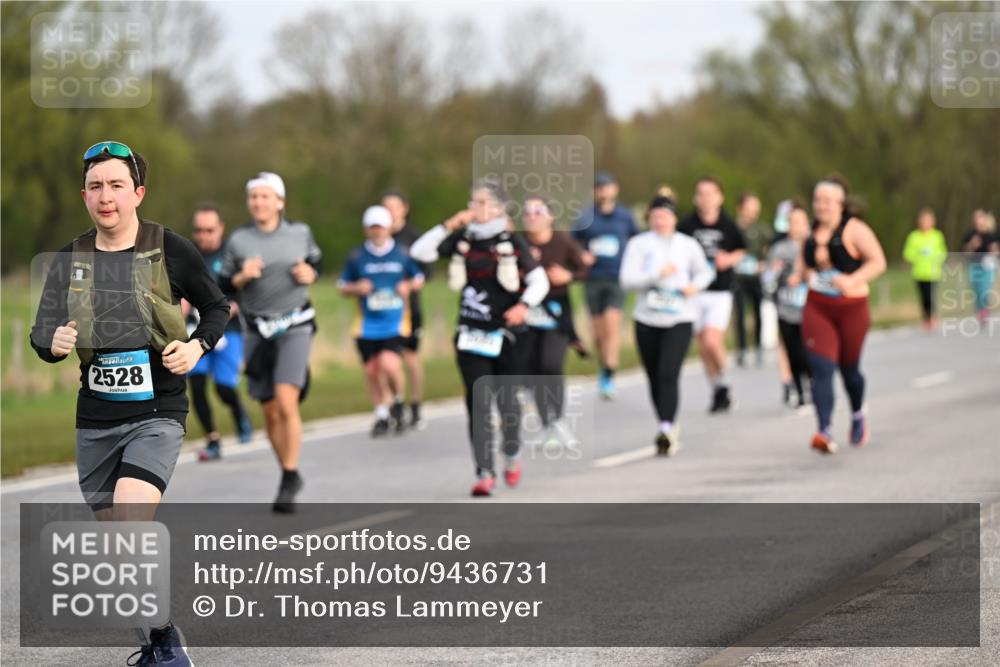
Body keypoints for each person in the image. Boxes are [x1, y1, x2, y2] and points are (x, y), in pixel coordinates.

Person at [31, 141, 229, 666]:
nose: (106, 196)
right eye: (96, 186)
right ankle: (157, 639)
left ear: (137, 193)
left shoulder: (170, 249)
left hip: (157, 412)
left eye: (117, 185)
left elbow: (216, 308)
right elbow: (41, 331)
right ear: (84, 196)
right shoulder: (70, 259)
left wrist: (196, 345)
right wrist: (51, 345)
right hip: (95, 419)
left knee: (133, 525)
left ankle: (167, 648)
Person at [410, 180, 549, 497]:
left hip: (507, 334)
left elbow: (538, 279)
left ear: (500, 209)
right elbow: (420, 251)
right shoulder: (463, 239)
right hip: (471, 334)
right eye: (474, 202)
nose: (477, 209)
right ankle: (484, 471)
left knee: (506, 403)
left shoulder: (511, 242)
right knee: (478, 403)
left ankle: (511, 453)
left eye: (485, 203)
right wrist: (450, 224)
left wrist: (523, 306)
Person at [219, 172, 322, 513]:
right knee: (268, 410)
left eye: (265, 196)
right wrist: (242, 276)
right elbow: (224, 285)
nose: (259, 203)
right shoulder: (238, 240)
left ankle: (289, 475)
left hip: (295, 323)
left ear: (280, 201)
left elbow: (314, 263)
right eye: (253, 197)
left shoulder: (300, 232)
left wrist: (311, 273)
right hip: (256, 329)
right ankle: (288, 472)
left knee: (285, 400)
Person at [795, 176, 886, 454]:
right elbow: (803, 267)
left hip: (851, 308)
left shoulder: (855, 230)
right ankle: (824, 431)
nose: (821, 206)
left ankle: (858, 413)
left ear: (840, 204)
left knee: (849, 371)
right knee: (821, 368)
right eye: (817, 200)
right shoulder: (810, 232)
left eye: (827, 201)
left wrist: (851, 280)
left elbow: (878, 262)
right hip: (818, 306)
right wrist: (810, 275)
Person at [620, 195, 713, 456]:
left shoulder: (687, 244)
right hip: (647, 317)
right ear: (649, 219)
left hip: (679, 316)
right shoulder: (639, 244)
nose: (660, 221)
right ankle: (665, 420)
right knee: (653, 375)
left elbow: (706, 272)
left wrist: (695, 286)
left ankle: (666, 427)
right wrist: (655, 276)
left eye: (665, 216)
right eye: (656, 216)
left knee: (668, 373)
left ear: (674, 218)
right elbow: (626, 281)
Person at [339, 205, 425, 437]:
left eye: (381, 227)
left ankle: (397, 400)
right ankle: (381, 414)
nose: (377, 232)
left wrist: (407, 286)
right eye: (373, 228)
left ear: (388, 229)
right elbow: (342, 286)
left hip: (395, 321)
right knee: (371, 371)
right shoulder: (357, 256)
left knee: (390, 364)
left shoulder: (401, 253)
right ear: (367, 230)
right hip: (367, 324)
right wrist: (357, 287)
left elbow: (419, 277)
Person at [184, 203, 254, 461]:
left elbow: (247, 292)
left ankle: (238, 412)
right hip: (196, 330)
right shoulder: (188, 256)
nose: (203, 235)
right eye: (199, 230)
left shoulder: (232, 256)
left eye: (209, 230)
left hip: (229, 330)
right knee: (198, 384)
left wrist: (234, 307)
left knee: (224, 387)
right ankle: (212, 439)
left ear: (221, 229)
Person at [518, 195, 589, 446]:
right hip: (526, 314)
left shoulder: (563, 242)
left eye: (538, 212)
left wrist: (567, 276)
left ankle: (558, 419)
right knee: (533, 369)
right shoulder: (519, 244)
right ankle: (546, 424)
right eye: (527, 212)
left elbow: (584, 269)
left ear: (550, 217)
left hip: (557, 315)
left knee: (550, 364)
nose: (532, 217)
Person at [678, 176, 747, 413]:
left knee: (711, 339)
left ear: (720, 197)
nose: (705, 198)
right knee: (702, 345)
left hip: (720, 291)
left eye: (710, 193)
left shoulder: (728, 224)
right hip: (695, 291)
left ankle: (724, 380)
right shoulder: (687, 226)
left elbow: (742, 250)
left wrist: (729, 259)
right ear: (696, 198)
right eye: (701, 193)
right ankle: (718, 389)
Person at [571, 171, 638, 399]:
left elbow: (637, 241)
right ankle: (604, 368)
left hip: (616, 277)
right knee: (598, 334)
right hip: (593, 278)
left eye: (607, 187)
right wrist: (582, 255)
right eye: (599, 188)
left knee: (612, 324)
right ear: (595, 192)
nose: (603, 192)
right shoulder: (585, 216)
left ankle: (610, 369)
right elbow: (572, 243)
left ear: (615, 189)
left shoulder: (625, 216)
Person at [382, 188, 429, 429]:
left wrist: (409, 285)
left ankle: (416, 405)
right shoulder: (377, 235)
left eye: (393, 206)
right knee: (387, 360)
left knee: (410, 357)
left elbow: (425, 273)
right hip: (382, 310)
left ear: (404, 208)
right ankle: (393, 405)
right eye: (385, 207)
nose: (389, 212)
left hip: (409, 309)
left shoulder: (413, 238)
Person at [764, 202, 812, 408]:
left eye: (800, 222)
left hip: (810, 308)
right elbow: (766, 281)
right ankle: (799, 391)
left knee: (806, 350)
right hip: (786, 307)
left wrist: (803, 276)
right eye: (793, 222)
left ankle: (813, 384)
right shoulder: (778, 249)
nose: (797, 226)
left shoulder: (813, 247)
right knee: (791, 350)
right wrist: (774, 272)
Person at [732, 192, 771, 367]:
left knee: (757, 312)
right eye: (749, 208)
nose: (752, 212)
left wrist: (765, 263)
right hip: (737, 277)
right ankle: (741, 350)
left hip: (755, 277)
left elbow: (771, 247)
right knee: (739, 314)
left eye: (755, 208)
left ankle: (758, 347)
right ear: (740, 208)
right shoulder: (732, 228)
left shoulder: (760, 229)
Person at [902, 208, 949, 331]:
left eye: (928, 220)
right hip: (919, 273)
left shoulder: (937, 235)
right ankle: (926, 318)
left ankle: (933, 318)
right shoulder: (913, 236)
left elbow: (943, 252)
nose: (925, 223)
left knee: (931, 297)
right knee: (923, 298)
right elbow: (907, 254)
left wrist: (936, 258)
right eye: (923, 220)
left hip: (934, 272)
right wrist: (918, 254)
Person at [961, 209, 999, 323]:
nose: (979, 220)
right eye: (976, 217)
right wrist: (972, 245)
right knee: (977, 289)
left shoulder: (992, 234)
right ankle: (980, 310)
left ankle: (984, 310)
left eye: (981, 217)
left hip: (988, 266)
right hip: (974, 265)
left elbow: (996, 252)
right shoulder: (970, 234)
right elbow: (965, 252)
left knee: (984, 289)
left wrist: (994, 250)